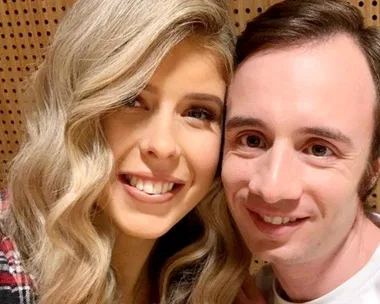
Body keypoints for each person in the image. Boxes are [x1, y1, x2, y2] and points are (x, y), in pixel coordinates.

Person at [0, 0, 248, 303]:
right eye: (130, 100)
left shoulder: (204, 276)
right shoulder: (10, 274)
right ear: (70, 109)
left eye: (198, 113)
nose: (163, 146)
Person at [222, 0, 380, 303]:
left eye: (319, 149)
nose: (271, 189)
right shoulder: (253, 291)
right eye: (252, 140)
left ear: (371, 171)